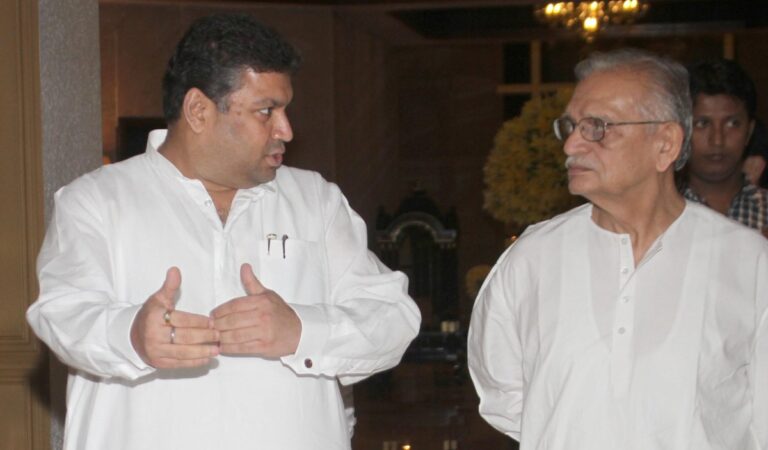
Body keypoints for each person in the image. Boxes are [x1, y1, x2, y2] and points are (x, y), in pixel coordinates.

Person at [27, 13, 420, 450]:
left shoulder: (316, 201)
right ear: (198, 110)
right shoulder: (97, 201)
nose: (285, 129)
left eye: (285, 110)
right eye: (265, 111)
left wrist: (302, 330)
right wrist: (132, 335)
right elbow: (61, 315)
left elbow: (394, 319)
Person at [468, 49, 768, 449]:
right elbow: (505, 397)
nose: (572, 144)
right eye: (571, 126)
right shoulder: (532, 259)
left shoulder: (748, 263)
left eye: (598, 127)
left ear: (665, 143)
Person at [681, 58, 768, 234]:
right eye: (702, 124)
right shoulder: (658, 214)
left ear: (749, 132)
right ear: (680, 131)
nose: (717, 140)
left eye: (732, 124)